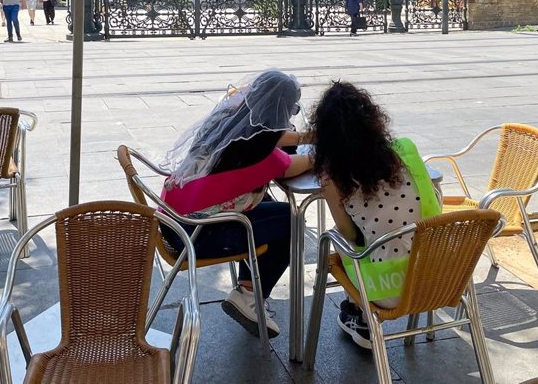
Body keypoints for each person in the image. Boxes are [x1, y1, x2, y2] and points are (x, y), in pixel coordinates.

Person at [160, 70, 311, 339]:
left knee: (264, 202)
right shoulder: (262, 156)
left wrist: (304, 137)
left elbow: (273, 136)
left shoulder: (227, 122)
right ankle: (250, 295)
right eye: (290, 111)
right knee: (291, 220)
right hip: (195, 236)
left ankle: (246, 286)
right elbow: (303, 164)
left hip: (173, 221)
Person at [310, 81, 440, 349]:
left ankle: (362, 317)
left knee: (340, 240)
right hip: (440, 277)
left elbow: (348, 234)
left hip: (386, 289)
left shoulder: (333, 176)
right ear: (374, 121)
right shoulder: (406, 152)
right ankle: (359, 316)